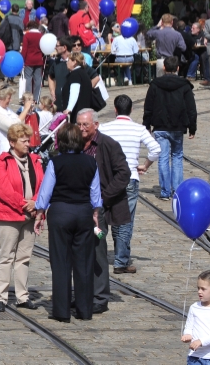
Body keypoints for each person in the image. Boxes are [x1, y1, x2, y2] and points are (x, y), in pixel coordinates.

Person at [33, 124, 103, 322]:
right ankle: (84, 310)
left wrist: (39, 214)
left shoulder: (56, 162)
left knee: (61, 262)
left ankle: (62, 311)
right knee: (84, 263)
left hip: (61, 212)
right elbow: (95, 192)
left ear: (61, 141)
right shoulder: (91, 162)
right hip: (83, 213)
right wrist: (95, 213)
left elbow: (46, 191)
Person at [75, 108, 130, 315]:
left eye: (85, 125)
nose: (81, 128)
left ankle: (100, 297)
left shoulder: (108, 145)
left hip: (100, 208)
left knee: (98, 252)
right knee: (79, 252)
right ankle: (82, 294)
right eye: (79, 124)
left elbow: (124, 173)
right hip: (78, 205)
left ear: (95, 125)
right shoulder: (75, 142)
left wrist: (104, 196)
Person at [100, 95, 161, 274]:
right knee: (125, 220)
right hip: (130, 178)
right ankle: (121, 260)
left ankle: (103, 254)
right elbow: (156, 149)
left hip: (109, 180)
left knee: (105, 217)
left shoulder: (104, 128)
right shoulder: (139, 129)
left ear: (115, 109)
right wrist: (145, 165)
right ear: (131, 110)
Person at [0, 123, 43, 312]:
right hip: (9, 216)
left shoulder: (36, 161)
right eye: (23, 141)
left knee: (24, 257)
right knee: (6, 256)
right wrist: (25, 204)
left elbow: (43, 186)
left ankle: (22, 296)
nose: (28, 144)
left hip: (30, 216)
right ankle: (1, 297)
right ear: (12, 143)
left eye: (28, 140)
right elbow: (3, 190)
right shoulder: (1, 162)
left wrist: (36, 203)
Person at [142, 56, 197, 200]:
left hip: (160, 126)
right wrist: (192, 127)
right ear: (178, 68)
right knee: (177, 157)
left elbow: (148, 106)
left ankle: (165, 192)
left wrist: (146, 124)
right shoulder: (184, 85)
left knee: (163, 158)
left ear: (164, 68)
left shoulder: (155, 84)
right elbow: (191, 108)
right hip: (178, 126)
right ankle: (177, 191)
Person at [0, 83, 32, 155]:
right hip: (5, 150)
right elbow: (12, 127)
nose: (11, 100)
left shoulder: (6, 109)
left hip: (15, 149)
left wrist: (28, 111)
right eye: (9, 98)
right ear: (0, 98)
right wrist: (25, 109)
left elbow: (20, 120)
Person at [60, 51, 93, 123]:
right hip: (84, 112)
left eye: (68, 60)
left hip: (77, 115)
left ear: (74, 62)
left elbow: (74, 92)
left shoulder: (75, 74)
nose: (67, 63)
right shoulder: (83, 73)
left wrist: (69, 109)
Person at [21, 20, 45, 101]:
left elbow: (24, 49)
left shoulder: (27, 36)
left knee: (28, 79)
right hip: (38, 59)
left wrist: (22, 59)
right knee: (38, 79)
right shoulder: (41, 36)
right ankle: (36, 97)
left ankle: (28, 98)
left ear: (29, 27)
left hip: (29, 59)